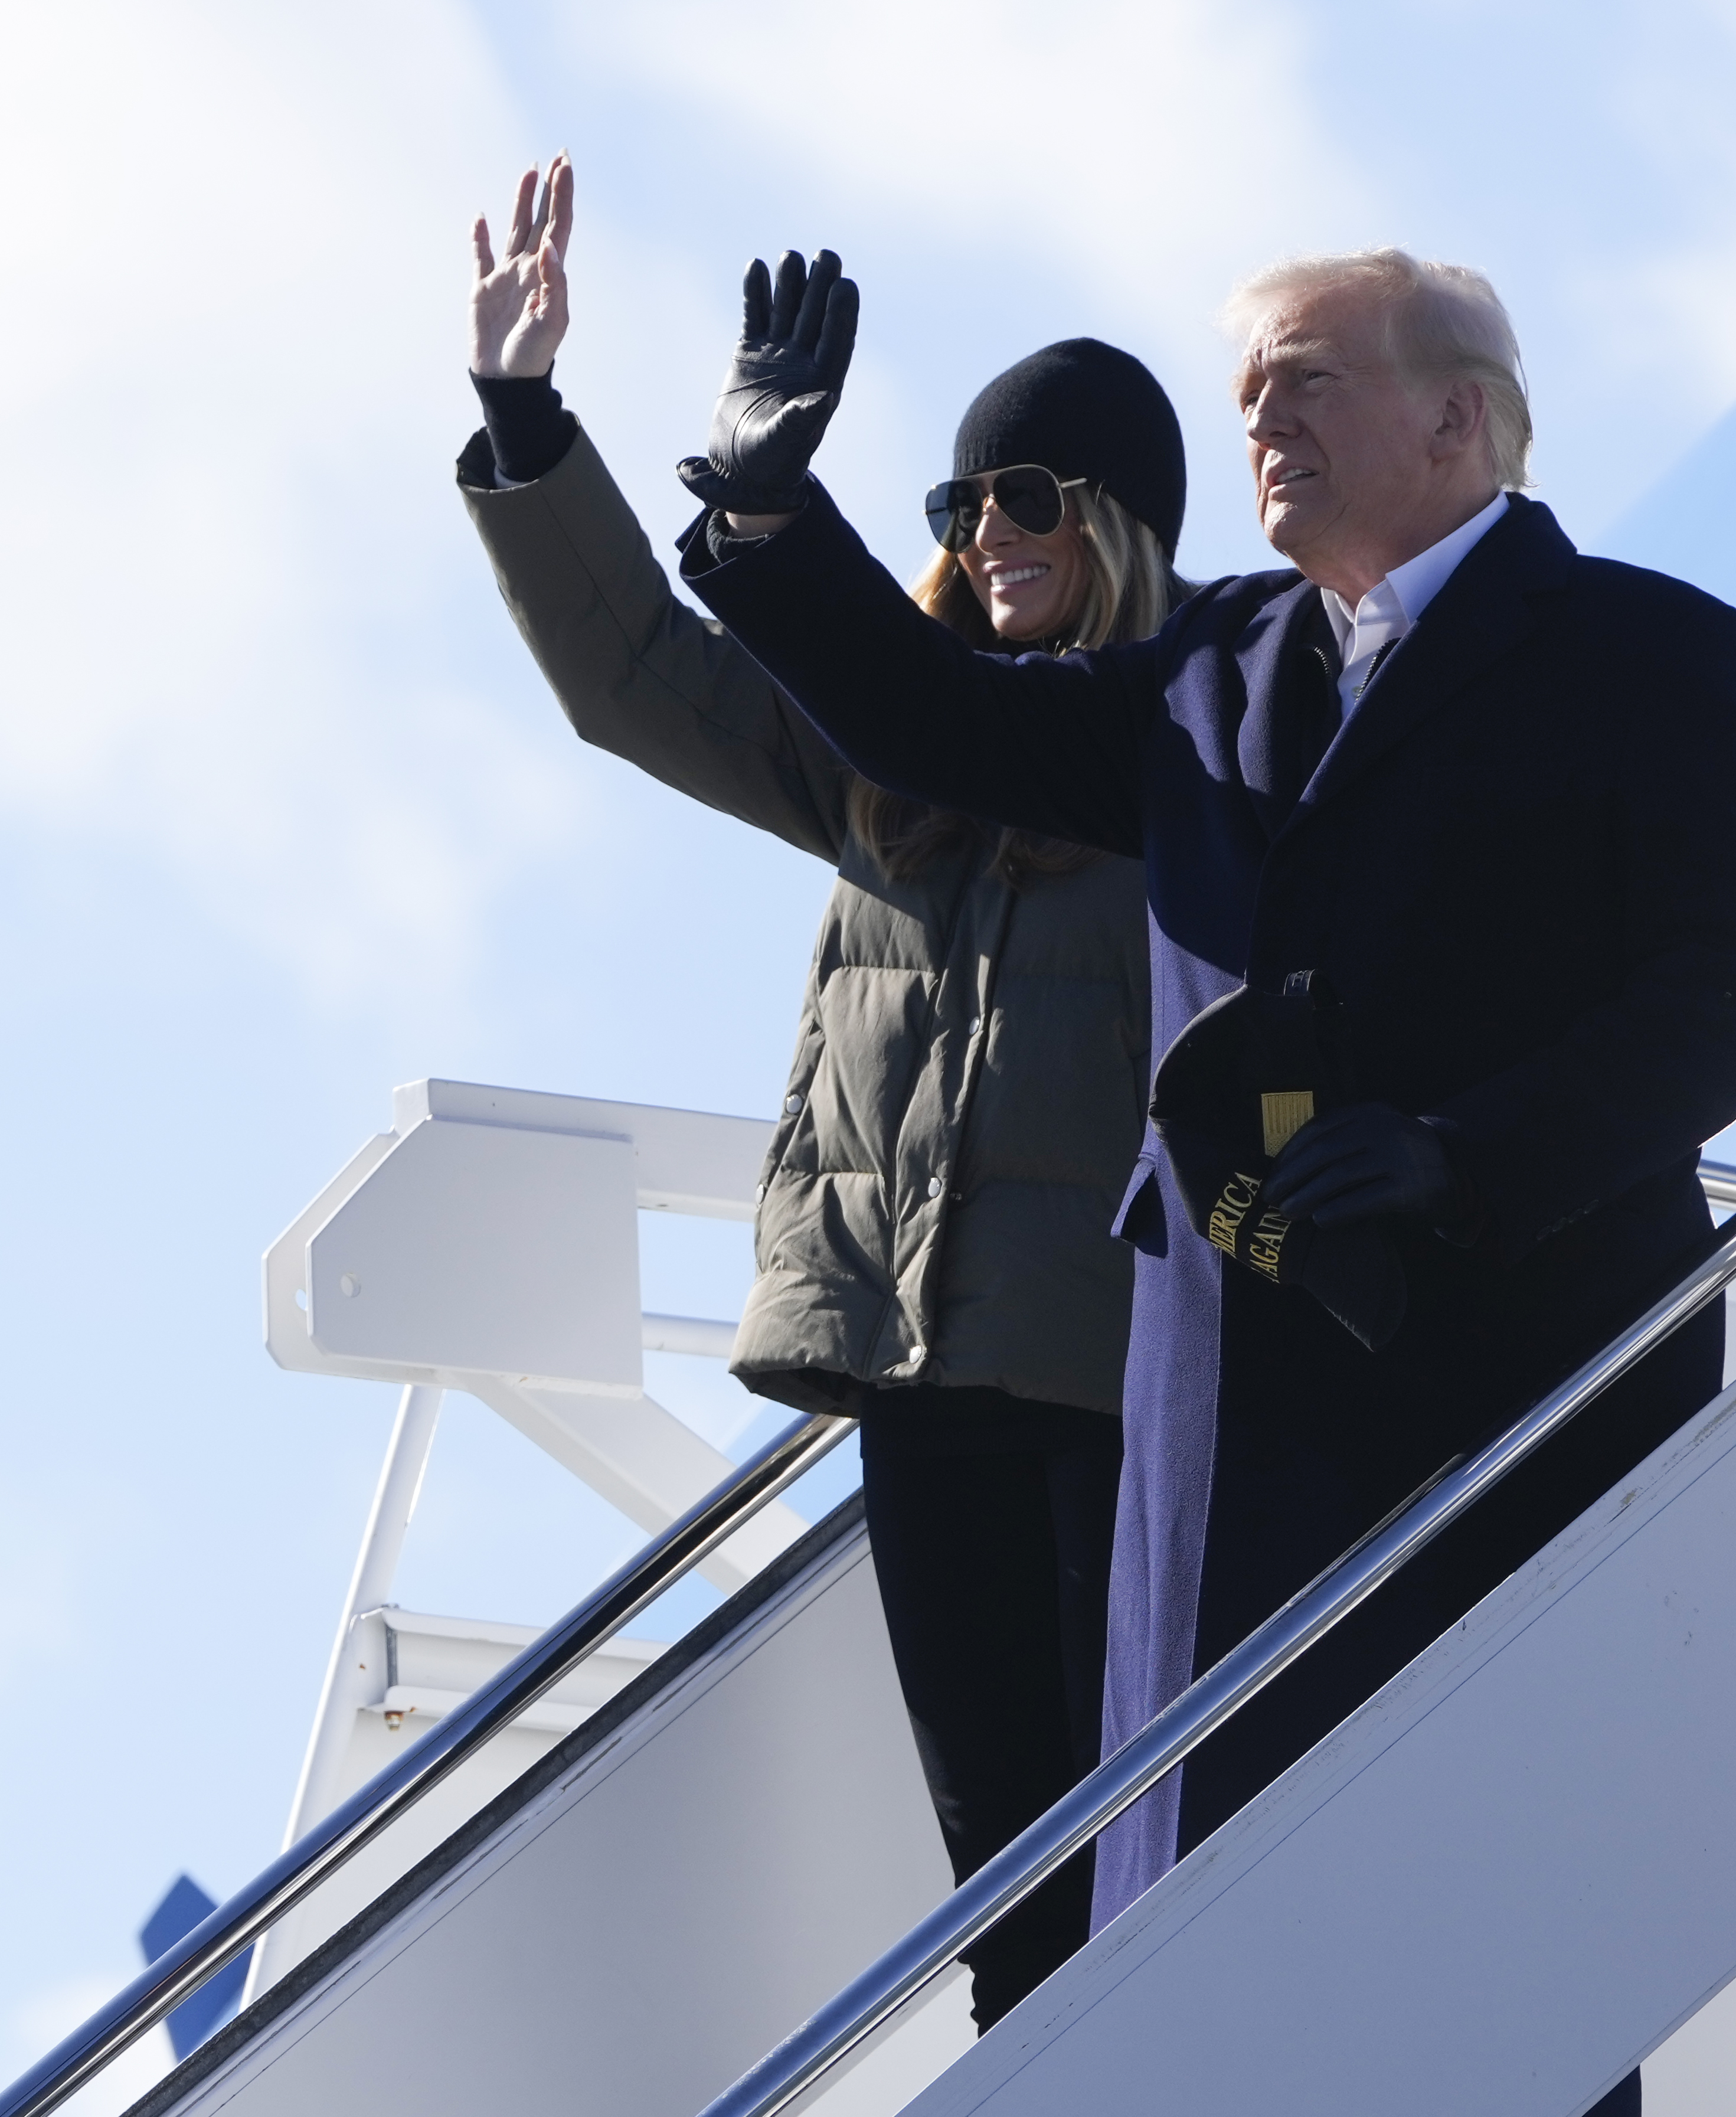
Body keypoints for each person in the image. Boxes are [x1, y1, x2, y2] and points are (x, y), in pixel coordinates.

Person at [674, 243, 1736, 2104]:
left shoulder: (1648, 648)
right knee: (1200, 1959)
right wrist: (761, 515)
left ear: (1456, 418)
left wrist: (1462, 1155)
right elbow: (936, 716)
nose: (1259, 420)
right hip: (1218, 1431)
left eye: (1306, 380)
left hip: (1515, 1398)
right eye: (1248, 391)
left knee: (1502, 1945)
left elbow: (1733, 994)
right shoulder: (1211, 670)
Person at [456, 159, 1198, 2028]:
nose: (987, 529)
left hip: (1114, 1386)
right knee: (1008, 1894)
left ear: (1117, 522)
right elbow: (638, 675)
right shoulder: (890, 746)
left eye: (1028, 496)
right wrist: (526, 420)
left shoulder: (1197, 737)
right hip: (914, 1376)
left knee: (1154, 1852)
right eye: (959, 501)